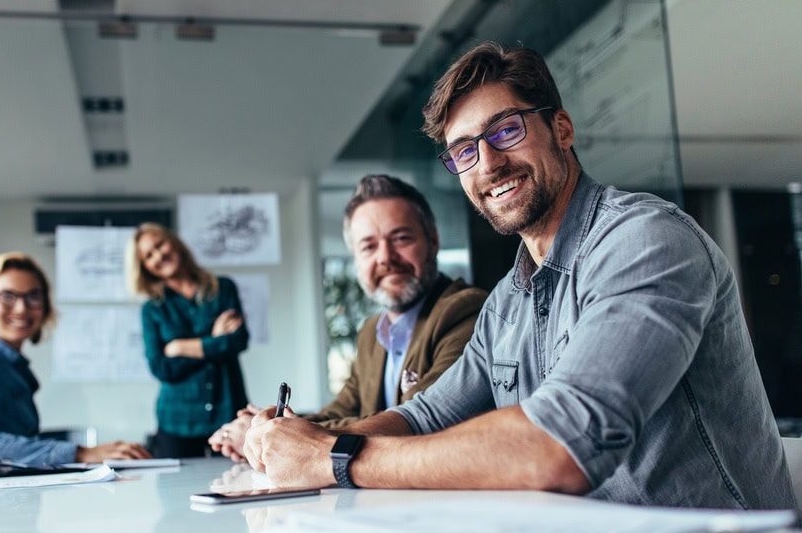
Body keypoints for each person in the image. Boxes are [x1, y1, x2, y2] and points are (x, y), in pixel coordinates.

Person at [244, 41, 799, 511]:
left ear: (561, 128)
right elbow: (426, 415)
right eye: (464, 151)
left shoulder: (645, 241)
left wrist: (333, 458)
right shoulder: (508, 300)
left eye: (505, 131)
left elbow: (560, 446)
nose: (487, 163)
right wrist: (305, 441)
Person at [208, 175, 488, 461]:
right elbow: (343, 410)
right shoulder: (372, 332)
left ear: (433, 240)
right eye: (368, 246)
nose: (385, 257)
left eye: (401, 238)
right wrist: (272, 426)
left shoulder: (464, 311)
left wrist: (274, 435)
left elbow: (418, 418)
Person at [0, 252, 151, 466]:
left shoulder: (7, 363)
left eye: (33, 297)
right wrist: (80, 453)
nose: (22, 308)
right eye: (7, 296)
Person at [126, 222, 250, 458]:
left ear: (173, 242)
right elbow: (161, 367)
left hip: (228, 412)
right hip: (177, 421)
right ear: (144, 267)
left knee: (237, 485)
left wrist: (180, 347)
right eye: (148, 255)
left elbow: (237, 342)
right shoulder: (152, 309)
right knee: (176, 493)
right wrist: (213, 339)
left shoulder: (223, 288)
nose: (158, 255)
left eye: (159, 244)